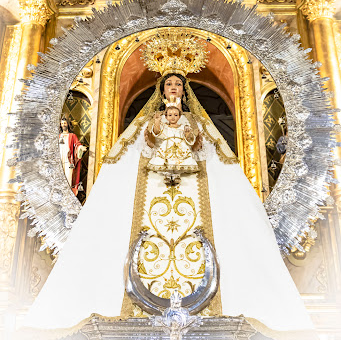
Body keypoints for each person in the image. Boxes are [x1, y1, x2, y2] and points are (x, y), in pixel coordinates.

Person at [22, 33, 315, 340]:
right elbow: (133, 153)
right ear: (161, 89)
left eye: (178, 84)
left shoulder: (197, 122)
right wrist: (156, 129)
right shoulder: (146, 121)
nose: (173, 88)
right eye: (169, 84)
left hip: (194, 186)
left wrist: (191, 134)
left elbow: (210, 154)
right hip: (152, 188)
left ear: (184, 90)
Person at [147, 105, 199, 175]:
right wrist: (157, 121)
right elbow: (156, 132)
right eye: (170, 115)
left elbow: (190, 141)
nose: (173, 117)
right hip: (167, 148)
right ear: (166, 117)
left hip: (181, 149)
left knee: (182, 163)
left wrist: (187, 134)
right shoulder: (164, 127)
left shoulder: (184, 127)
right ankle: (168, 175)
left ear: (179, 116)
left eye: (176, 115)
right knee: (165, 163)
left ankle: (177, 175)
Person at [59, 116, 87, 196]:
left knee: (68, 178)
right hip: (59, 160)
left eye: (64, 123)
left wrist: (81, 148)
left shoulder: (72, 135)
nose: (63, 125)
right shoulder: (58, 136)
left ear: (67, 124)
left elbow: (77, 144)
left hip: (68, 161)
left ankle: (67, 195)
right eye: (62, 123)